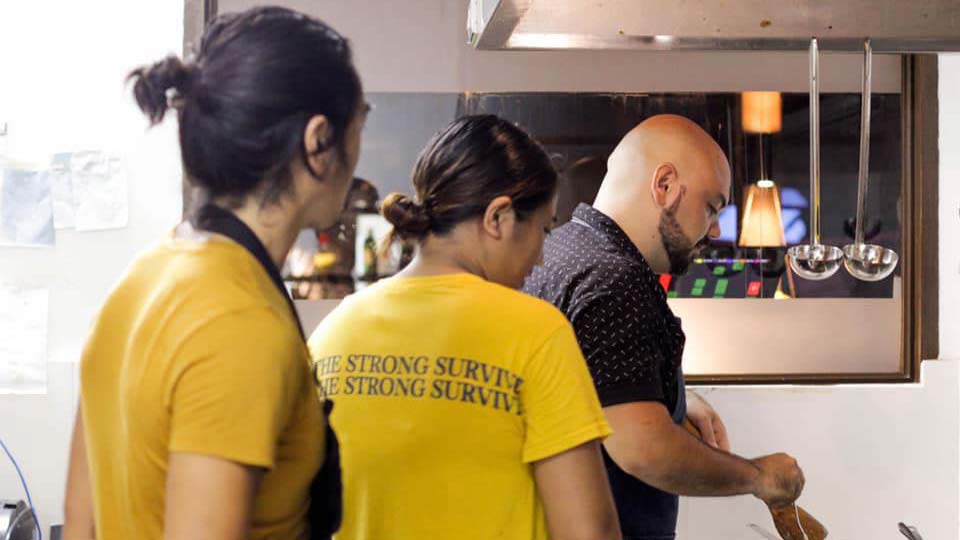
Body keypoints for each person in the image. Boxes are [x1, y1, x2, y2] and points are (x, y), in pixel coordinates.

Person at [63, 7, 368, 540]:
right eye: (360, 124)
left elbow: (80, 526)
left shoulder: (142, 277)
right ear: (318, 142)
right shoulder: (238, 322)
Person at [308, 115, 621, 540]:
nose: (540, 259)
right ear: (498, 217)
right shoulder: (535, 332)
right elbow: (588, 532)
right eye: (543, 230)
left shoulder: (333, 333)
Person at [524, 114, 805, 540]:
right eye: (711, 207)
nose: (714, 229)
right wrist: (758, 476)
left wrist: (662, 395)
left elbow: (586, 387)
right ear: (665, 185)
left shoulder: (556, 254)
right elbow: (643, 450)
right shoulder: (616, 279)